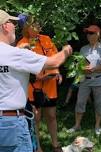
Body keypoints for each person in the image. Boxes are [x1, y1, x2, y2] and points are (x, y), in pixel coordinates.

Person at [0, 9, 72, 152]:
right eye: (13, 23)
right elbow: (54, 62)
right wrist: (65, 50)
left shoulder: (14, 52)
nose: (15, 26)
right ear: (5, 26)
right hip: (11, 124)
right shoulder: (15, 54)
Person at [17, 16, 64, 152]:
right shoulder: (21, 44)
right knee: (35, 118)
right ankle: (37, 147)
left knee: (51, 115)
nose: (39, 27)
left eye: (39, 24)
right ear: (26, 27)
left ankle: (55, 145)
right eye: (35, 25)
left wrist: (58, 72)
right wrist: (38, 78)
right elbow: (22, 68)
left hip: (50, 86)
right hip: (33, 87)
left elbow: (55, 58)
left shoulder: (47, 39)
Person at [68, 25, 101, 135]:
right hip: (85, 81)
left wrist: (94, 68)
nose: (89, 35)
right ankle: (77, 125)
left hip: (100, 81)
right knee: (80, 102)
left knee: (99, 103)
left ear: (98, 34)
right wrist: (81, 68)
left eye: (91, 33)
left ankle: (97, 126)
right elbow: (81, 65)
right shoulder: (83, 49)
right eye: (87, 33)